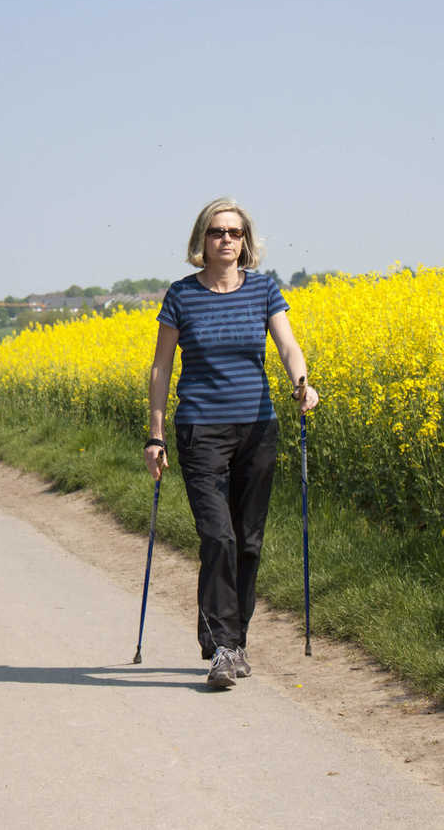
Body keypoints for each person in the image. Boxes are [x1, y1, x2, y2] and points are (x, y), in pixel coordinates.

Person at [144, 197, 319, 690]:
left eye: (235, 233)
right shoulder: (181, 296)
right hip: (201, 430)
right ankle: (222, 646)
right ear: (202, 240)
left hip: (258, 429)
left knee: (248, 541)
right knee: (217, 537)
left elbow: (287, 344)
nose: (226, 240)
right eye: (217, 232)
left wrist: (301, 383)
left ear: (246, 242)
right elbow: (161, 368)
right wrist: (155, 434)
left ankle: (232, 639)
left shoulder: (263, 290)